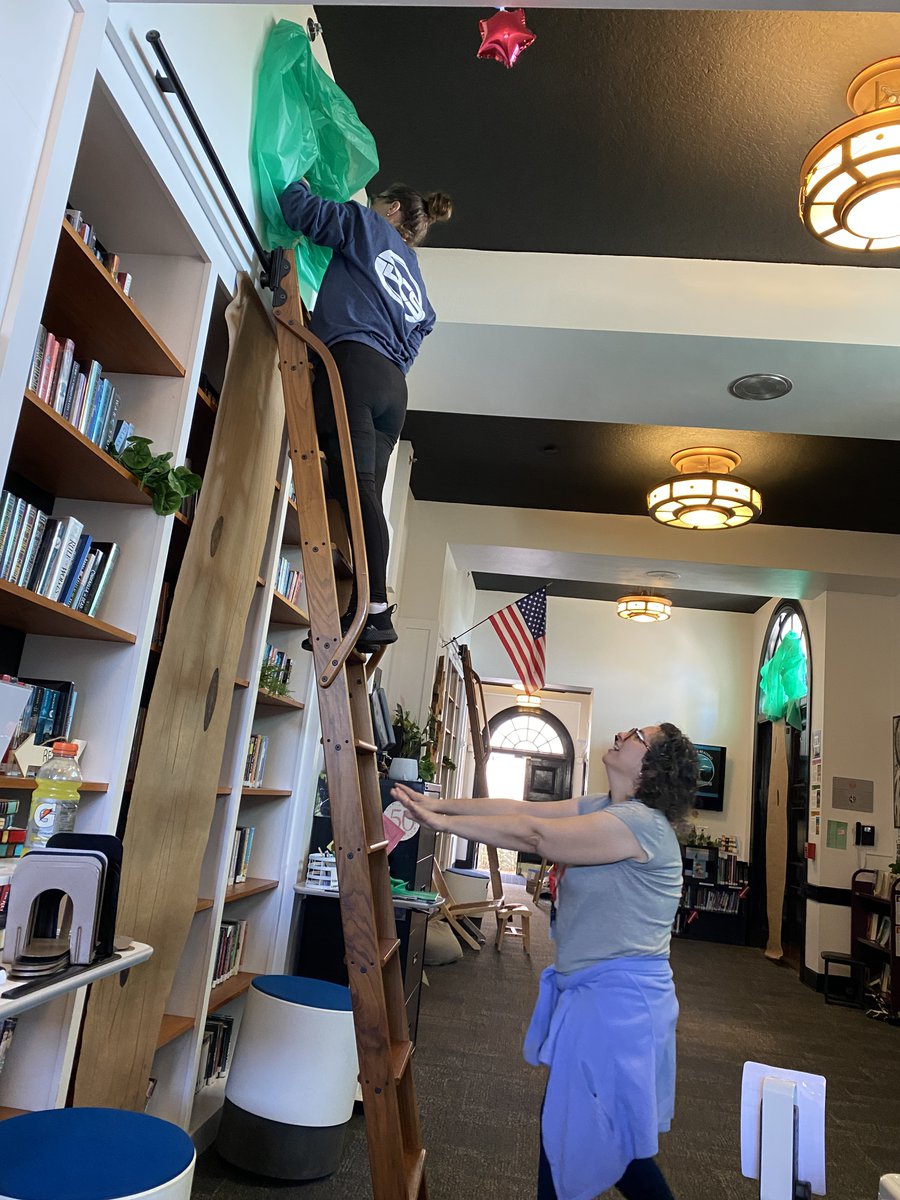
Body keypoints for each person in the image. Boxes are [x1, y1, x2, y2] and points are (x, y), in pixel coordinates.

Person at [392, 722, 699, 1200]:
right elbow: (520, 809)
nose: (622, 734)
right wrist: (440, 804)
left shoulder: (643, 824)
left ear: (653, 766)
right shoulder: (603, 806)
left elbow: (537, 836)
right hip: (600, 998)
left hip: (620, 1006)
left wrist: (443, 823)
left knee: (590, 1134)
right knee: (588, 1131)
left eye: (637, 735)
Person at [279, 179, 452, 650]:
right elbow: (420, 330)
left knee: (357, 491)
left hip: (355, 365)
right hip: (393, 388)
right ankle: (364, 605)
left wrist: (301, 181)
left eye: (375, 202)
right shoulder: (414, 276)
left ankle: (374, 610)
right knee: (358, 491)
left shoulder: (367, 225)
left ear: (391, 209)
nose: (367, 205)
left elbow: (300, 211)